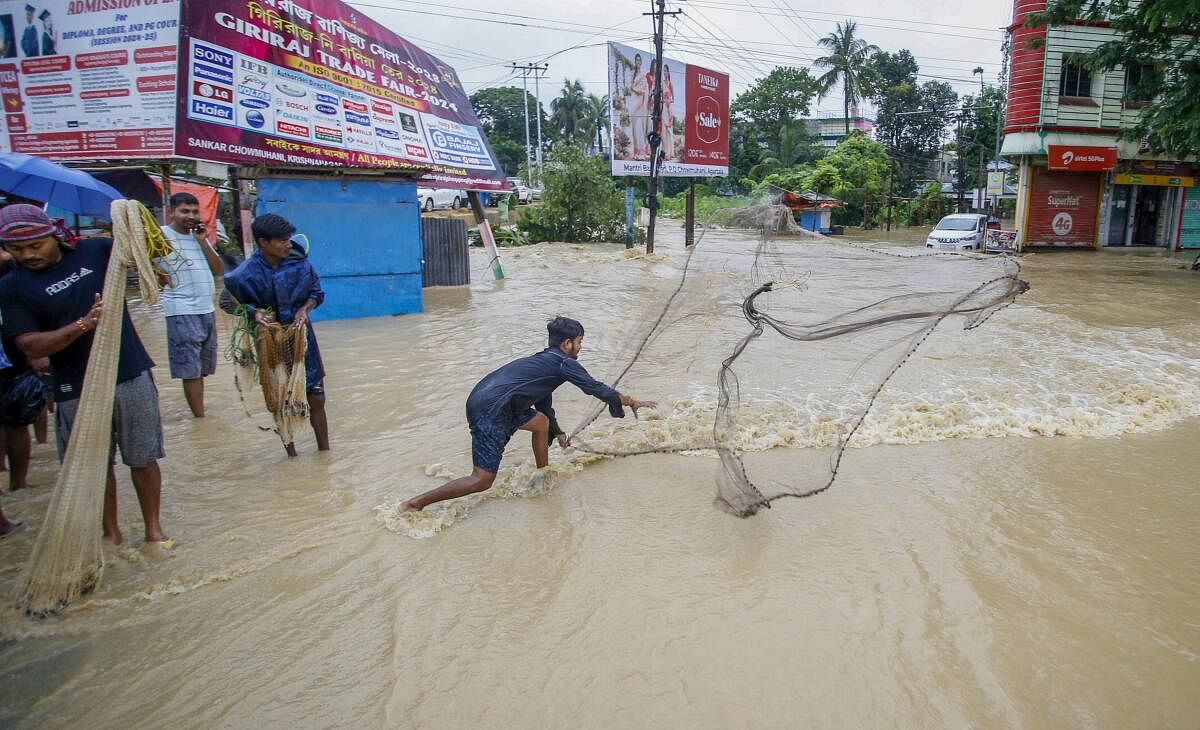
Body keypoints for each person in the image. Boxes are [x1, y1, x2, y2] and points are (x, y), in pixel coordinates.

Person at [0, 204, 170, 547]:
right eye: (17, 249)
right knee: (93, 464)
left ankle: (153, 530)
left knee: (144, 456)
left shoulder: (96, 250)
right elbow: (30, 345)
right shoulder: (13, 287)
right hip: (73, 383)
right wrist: (82, 325)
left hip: (129, 370)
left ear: (52, 235)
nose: (27, 255)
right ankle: (111, 533)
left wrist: (138, 235)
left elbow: (148, 260)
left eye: (35, 246)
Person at [398, 316, 656, 513]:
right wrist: (631, 401)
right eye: (579, 342)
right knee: (482, 480)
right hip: (491, 409)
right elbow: (595, 388)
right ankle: (415, 504)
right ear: (567, 344)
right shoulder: (565, 363)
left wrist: (558, 432)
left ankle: (542, 473)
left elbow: (544, 404)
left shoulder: (547, 364)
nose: (580, 347)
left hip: (492, 401)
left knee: (541, 423)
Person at [222, 213, 328, 456]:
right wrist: (254, 312)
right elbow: (227, 302)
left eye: (289, 239)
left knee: (316, 396)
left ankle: (325, 453)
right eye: (281, 241)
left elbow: (317, 293)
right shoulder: (244, 274)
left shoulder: (299, 262)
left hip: (302, 337)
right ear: (263, 242)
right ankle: (291, 455)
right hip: (270, 341)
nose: (288, 244)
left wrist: (305, 308)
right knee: (279, 400)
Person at [157, 192, 223, 418]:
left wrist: (203, 240)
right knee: (190, 370)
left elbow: (219, 270)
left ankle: (199, 411)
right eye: (185, 211)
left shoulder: (200, 236)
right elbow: (142, 264)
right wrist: (158, 274)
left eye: (195, 211)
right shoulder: (160, 237)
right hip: (181, 310)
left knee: (201, 369)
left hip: (206, 309)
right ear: (172, 212)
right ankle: (200, 419)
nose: (191, 216)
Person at [0, 245, 50, 492]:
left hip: (14, 351)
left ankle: (18, 483)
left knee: (20, 416)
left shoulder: (12, 267)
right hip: (14, 349)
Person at [628, 53, 647, 159]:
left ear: (641, 62)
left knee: (639, 127)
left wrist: (635, 89)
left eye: (640, 60)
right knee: (633, 127)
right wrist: (635, 89)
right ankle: (634, 151)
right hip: (633, 102)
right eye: (637, 60)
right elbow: (630, 86)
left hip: (640, 103)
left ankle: (641, 152)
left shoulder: (643, 76)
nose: (638, 62)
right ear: (635, 62)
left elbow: (643, 91)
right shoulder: (632, 74)